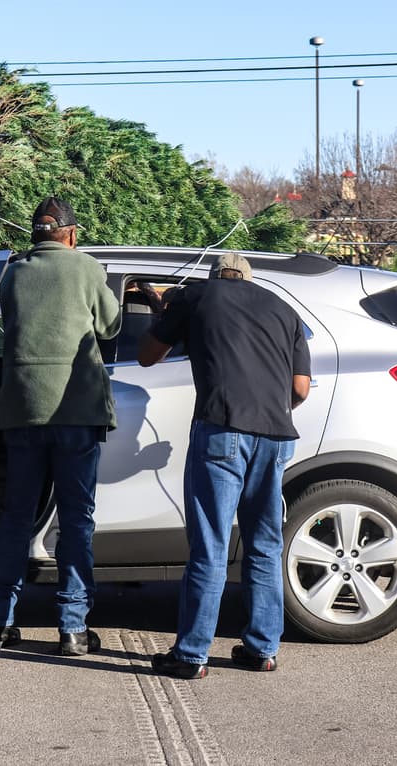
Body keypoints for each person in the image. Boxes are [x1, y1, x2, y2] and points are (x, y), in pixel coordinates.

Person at [137, 252, 311, 679]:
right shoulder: (284, 308)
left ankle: (192, 654)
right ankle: (262, 649)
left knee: (211, 545)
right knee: (266, 545)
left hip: (222, 431)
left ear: (216, 276)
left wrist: (163, 313)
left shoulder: (195, 298)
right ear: (247, 279)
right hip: (276, 437)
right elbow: (301, 389)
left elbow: (146, 357)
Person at [0, 196, 122, 656]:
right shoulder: (86, 269)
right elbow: (111, 327)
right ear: (72, 234)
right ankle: (73, 628)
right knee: (76, 521)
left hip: (23, 411)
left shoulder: (14, 275)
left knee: (16, 518)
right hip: (76, 412)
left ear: (35, 234)